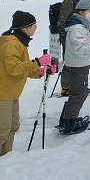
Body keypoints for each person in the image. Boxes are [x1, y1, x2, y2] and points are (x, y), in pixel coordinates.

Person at [0, 11, 55, 156]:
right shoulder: (12, 44)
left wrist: (42, 71)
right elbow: (13, 69)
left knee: (12, 126)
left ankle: (5, 157)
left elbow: (23, 69)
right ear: (24, 27)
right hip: (3, 94)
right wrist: (37, 62)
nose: (35, 28)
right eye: (33, 25)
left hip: (11, 94)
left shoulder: (20, 42)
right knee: (2, 130)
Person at [58, 0, 90, 135]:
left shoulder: (81, 25)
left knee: (79, 92)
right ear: (81, 11)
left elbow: (82, 41)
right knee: (79, 94)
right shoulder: (76, 28)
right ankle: (69, 122)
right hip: (78, 64)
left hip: (79, 63)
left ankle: (67, 118)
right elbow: (79, 49)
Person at [57, 0, 90, 97]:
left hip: (80, 35)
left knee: (81, 61)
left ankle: (79, 86)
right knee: (69, 62)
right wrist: (69, 35)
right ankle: (67, 88)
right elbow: (61, 22)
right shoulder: (69, 1)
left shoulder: (84, 0)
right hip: (70, 36)